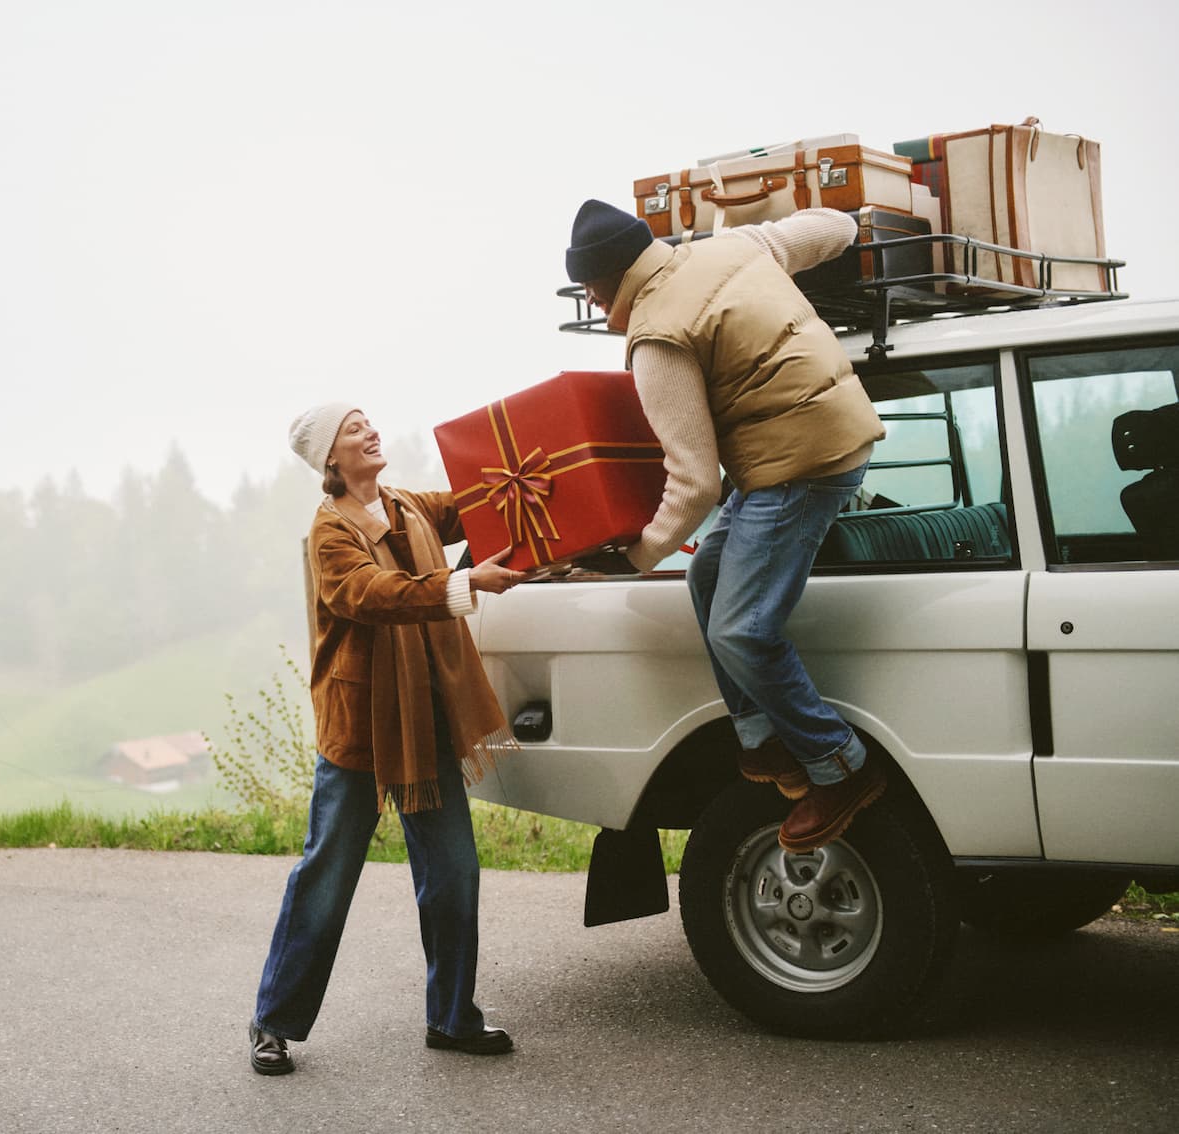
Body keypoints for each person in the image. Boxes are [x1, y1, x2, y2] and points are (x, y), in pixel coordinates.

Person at [563, 200, 888, 855]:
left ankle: (839, 766)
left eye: (593, 289)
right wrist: (859, 220)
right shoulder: (730, 249)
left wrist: (633, 558)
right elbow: (833, 229)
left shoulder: (656, 337)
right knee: (708, 572)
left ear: (611, 278)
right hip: (831, 435)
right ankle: (762, 740)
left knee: (742, 629)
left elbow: (695, 487)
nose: (596, 305)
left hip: (800, 463)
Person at [247, 403, 527, 1076]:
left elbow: (477, 500)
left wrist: (525, 470)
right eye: (353, 429)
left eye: (368, 421)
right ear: (330, 461)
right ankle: (273, 1020)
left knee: (453, 871)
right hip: (364, 731)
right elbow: (375, 594)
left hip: (424, 721)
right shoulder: (330, 532)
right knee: (326, 876)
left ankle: (452, 1018)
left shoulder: (409, 505)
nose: (370, 431)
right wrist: (464, 583)